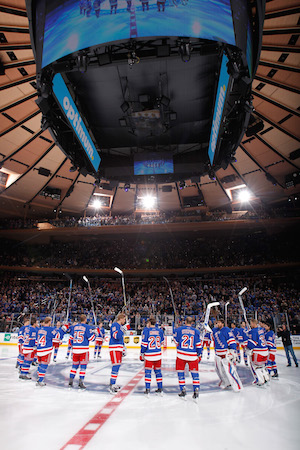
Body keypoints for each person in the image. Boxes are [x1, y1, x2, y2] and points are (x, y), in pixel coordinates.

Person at [173, 316, 202, 400]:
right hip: (192, 356)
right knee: (195, 374)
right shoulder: (196, 331)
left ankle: (183, 389)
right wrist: (199, 354)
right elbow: (198, 345)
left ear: (185, 322)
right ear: (192, 323)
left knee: (180, 372)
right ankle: (196, 390)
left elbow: (175, 341)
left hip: (181, 355)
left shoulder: (179, 329)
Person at [212, 318, 243, 392]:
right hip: (218, 353)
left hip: (225, 353)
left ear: (222, 323)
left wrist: (232, 351)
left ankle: (237, 386)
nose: (217, 324)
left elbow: (231, 341)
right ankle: (226, 382)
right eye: (217, 322)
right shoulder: (215, 330)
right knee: (219, 370)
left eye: (219, 322)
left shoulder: (227, 330)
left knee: (230, 371)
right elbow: (210, 334)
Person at [68, 314, 96, 389]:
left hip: (75, 349)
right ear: (85, 319)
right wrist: (95, 334)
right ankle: (81, 382)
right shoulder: (87, 327)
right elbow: (91, 339)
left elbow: (70, 338)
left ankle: (70, 381)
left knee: (74, 366)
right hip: (84, 350)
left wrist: (73, 346)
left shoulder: (74, 327)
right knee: (83, 367)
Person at [36, 317, 66, 386]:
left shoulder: (40, 329)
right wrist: (63, 330)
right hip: (46, 349)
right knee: (44, 364)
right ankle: (40, 380)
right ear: (49, 322)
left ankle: (39, 377)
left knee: (40, 364)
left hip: (39, 348)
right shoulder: (50, 329)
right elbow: (57, 335)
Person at [140, 316, 165, 396]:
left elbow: (144, 344)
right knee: (158, 372)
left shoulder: (146, 330)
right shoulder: (160, 331)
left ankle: (147, 389)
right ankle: (160, 388)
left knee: (148, 372)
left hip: (149, 355)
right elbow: (162, 342)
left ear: (149, 323)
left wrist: (142, 353)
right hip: (158, 354)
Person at [108, 312, 129, 394]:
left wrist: (123, 347)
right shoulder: (114, 325)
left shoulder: (119, 326)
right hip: (114, 348)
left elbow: (121, 338)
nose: (125, 320)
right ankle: (112, 384)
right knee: (115, 365)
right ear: (120, 318)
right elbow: (116, 336)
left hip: (118, 348)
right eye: (124, 319)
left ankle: (113, 383)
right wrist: (123, 330)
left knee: (118, 365)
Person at [246, 318, 269, 386]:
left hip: (258, 351)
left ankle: (261, 381)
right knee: (262, 366)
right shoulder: (261, 329)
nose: (250, 325)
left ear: (253, 323)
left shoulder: (253, 331)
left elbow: (253, 342)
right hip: (265, 350)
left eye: (251, 323)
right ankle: (266, 378)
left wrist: (248, 348)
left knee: (256, 367)